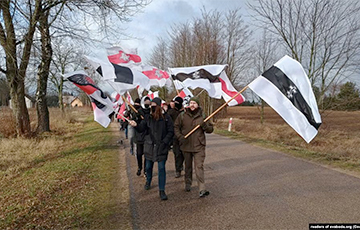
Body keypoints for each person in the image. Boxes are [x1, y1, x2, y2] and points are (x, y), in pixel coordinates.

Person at [129, 97, 174, 201]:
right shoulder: (148, 118)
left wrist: (165, 142)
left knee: (161, 168)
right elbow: (142, 128)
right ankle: (148, 181)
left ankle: (162, 190)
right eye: (151, 105)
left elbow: (171, 131)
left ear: (158, 106)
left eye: (154, 104)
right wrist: (135, 125)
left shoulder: (166, 118)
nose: (152, 106)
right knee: (148, 167)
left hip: (161, 147)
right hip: (149, 146)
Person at [174, 97, 213, 198]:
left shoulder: (203, 116)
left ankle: (202, 189)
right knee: (188, 167)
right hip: (186, 145)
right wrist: (180, 137)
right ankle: (188, 183)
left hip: (199, 146)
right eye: (191, 103)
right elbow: (176, 127)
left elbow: (210, 129)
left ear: (198, 105)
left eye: (194, 103)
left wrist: (204, 125)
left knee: (199, 166)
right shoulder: (182, 115)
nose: (192, 105)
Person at [133, 97, 151, 176]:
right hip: (139, 136)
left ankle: (146, 170)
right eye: (146, 101)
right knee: (139, 153)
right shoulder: (138, 111)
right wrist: (136, 117)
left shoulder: (151, 111)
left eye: (148, 101)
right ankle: (140, 167)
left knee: (147, 154)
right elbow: (134, 121)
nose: (147, 103)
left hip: (148, 136)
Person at [168, 96, 185, 178]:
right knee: (177, 153)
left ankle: (181, 165)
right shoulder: (171, 112)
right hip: (175, 137)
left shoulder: (185, 112)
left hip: (184, 136)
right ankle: (178, 170)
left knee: (183, 153)